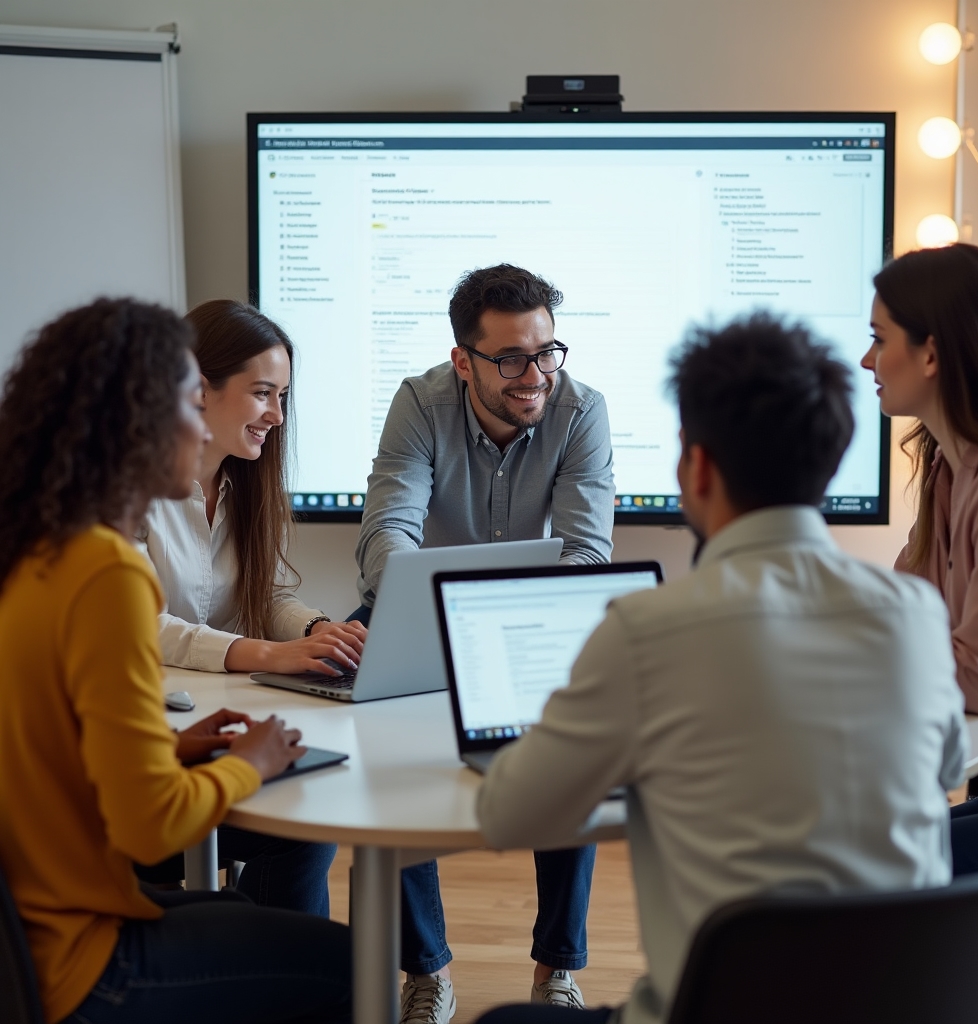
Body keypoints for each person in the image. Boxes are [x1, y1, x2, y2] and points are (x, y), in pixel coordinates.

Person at [474, 313, 967, 1024]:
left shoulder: (648, 631)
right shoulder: (916, 612)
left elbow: (508, 812)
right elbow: (946, 763)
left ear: (697, 467)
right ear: (830, 460)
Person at [0, 297, 352, 1024]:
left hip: (30, 927)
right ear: (139, 421)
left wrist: (169, 744)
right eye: (192, 404)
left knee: (251, 908)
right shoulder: (107, 571)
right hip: (80, 956)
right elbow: (150, 827)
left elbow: (50, 743)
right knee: (348, 963)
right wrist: (247, 763)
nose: (199, 428)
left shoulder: (39, 547)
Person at [354, 265, 615, 1022]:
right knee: (382, 740)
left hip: (531, 611)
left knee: (578, 736)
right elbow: (388, 526)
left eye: (546, 352)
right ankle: (426, 970)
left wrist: (518, 624)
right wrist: (424, 604)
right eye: (510, 360)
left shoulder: (581, 409)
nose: (534, 375)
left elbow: (586, 553)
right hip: (420, 605)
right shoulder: (419, 401)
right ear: (463, 359)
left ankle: (557, 970)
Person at [136, 299, 366, 915]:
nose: (277, 415)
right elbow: (142, 629)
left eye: (283, 397)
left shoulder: (249, 482)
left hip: (210, 718)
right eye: (263, 393)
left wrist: (320, 631)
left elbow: (270, 595)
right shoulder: (126, 490)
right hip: (146, 732)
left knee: (304, 826)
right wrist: (268, 652)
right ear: (198, 390)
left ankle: (269, 966)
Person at [861, 243, 978, 875]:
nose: (866, 359)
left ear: (931, 352)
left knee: (863, 872)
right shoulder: (949, 466)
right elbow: (901, 607)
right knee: (860, 854)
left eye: (880, 338)